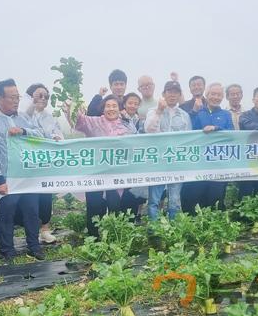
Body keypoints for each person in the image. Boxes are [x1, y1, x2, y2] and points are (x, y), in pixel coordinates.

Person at [0, 78, 45, 262]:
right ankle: (7, 250)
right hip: (7, 179)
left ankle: (34, 246)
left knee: (32, 211)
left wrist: (24, 131)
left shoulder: (24, 118)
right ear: (0, 98)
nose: (16, 101)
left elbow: (40, 135)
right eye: (12, 97)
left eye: (17, 97)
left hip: (27, 176)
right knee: (6, 214)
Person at [66, 94, 137, 237]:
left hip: (117, 176)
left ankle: (114, 238)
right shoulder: (94, 122)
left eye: (114, 106)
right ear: (103, 109)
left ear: (119, 108)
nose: (111, 109)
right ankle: (93, 238)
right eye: (108, 106)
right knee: (94, 206)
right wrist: (72, 106)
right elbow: (79, 120)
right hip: (96, 174)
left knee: (115, 206)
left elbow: (135, 145)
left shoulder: (127, 126)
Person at [183, 83, 234, 213]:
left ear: (223, 97)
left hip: (218, 164)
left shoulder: (226, 114)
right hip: (198, 163)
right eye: (213, 94)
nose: (215, 97)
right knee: (194, 197)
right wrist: (194, 112)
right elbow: (188, 132)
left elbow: (232, 133)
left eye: (219, 95)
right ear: (207, 95)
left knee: (215, 198)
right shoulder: (198, 112)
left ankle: (213, 228)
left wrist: (216, 129)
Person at [145, 81, 192, 221]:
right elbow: (149, 129)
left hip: (177, 163)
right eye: (169, 91)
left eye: (176, 92)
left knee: (175, 200)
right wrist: (159, 110)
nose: (172, 95)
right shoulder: (153, 111)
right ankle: (154, 231)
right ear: (164, 94)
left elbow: (189, 139)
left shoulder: (184, 115)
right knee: (154, 199)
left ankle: (174, 231)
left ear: (179, 95)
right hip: (158, 163)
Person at [25, 83, 63, 244]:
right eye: (39, 95)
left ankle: (45, 229)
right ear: (30, 97)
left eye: (46, 96)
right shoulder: (22, 114)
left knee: (46, 198)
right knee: (28, 200)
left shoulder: (50, 117)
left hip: (45, 164)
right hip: (26, 165)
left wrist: (57, 138)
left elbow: (58, 134)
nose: (43, 99)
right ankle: (30, 232)